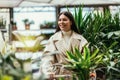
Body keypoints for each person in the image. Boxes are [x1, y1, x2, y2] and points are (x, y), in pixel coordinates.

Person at [41, 11, 88, 80]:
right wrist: (49, 71)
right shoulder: (53, 39)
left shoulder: (81, 39)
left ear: (71, 22)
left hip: (76, 75)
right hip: (59, 75)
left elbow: (86, 58)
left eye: (64, 20)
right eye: (59, 20)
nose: (61, 22)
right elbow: (48, 57)